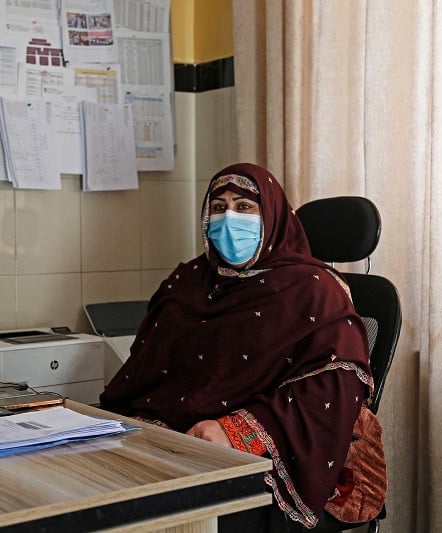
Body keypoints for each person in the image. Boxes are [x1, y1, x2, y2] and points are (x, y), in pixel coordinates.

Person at [99, 163, 375, 530]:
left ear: (273, 216)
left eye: (244, 207)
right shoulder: (187, 282)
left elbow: (332, 389)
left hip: (263, 460)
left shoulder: (316, 292)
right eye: (218, 207)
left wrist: (235, 431)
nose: (228, 218)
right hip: (175, 446)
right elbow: (145, 375)